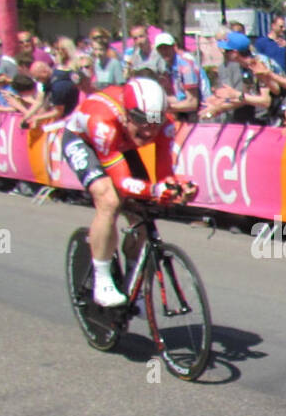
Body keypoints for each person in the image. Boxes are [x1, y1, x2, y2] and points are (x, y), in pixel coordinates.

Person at [60, 77, 197, 308]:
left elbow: (164, 174)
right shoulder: (103, 122)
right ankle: (102, 280)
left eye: (155, 120)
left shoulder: (164, 125)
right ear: (125, 114)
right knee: (109, 199)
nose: (148, 129)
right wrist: (154, 189)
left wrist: (177, 189)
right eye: (141, 120)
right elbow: (122, 182)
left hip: (121, 146)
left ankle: (133, 284)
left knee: (142, 213)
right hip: (85, 141)